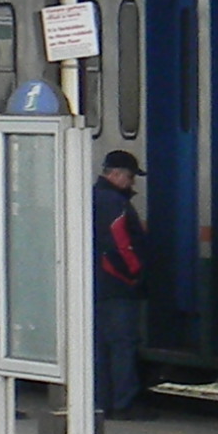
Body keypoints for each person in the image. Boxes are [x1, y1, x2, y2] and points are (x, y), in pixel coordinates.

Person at [92, 147, 150, 419]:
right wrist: (136, 272)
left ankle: (101, 401)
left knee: (101, 347)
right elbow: (120, 245)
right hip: (116, 285)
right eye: (129, 176)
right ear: (115, 174)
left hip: (96, 284)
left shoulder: (92, 196)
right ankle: (124, 403)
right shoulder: (114, 203)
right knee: (122, 345)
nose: (132, 183)